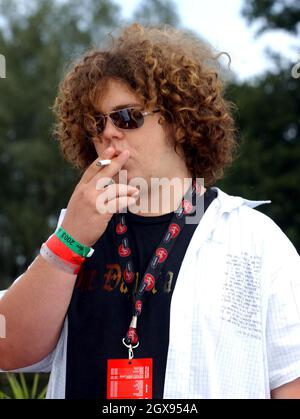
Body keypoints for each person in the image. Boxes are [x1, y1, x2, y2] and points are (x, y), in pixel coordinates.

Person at [1, 23, 300, 400]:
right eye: (96, 123)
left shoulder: (256, 241)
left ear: (177, 121)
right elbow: (8, 348)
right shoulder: (74, 232)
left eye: (127, 117)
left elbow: (290, 383)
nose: (109, 132)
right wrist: (67, 243)